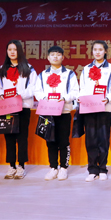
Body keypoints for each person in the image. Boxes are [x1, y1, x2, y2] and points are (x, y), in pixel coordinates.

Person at [34, 45, 80, 181]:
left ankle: (64, 167)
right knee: (50, 140)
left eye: (58, 54)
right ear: (48, 58)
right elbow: (37, 91)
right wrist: (45, 99)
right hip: (48, 112)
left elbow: (75, 91)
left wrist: (64, 98)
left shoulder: (69, 74)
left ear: (63, 57)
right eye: (52, 54)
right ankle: (53, 167)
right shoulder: (42, 75)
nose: (55, 57)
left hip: (64, 111)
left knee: (63, 140)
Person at [0, 40, 37, 180]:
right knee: (9, 137)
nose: (12, 52)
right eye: (9, 49)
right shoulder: (2, 69)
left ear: (20, 51)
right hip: (7, 106)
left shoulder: (29, 68)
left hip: (23, 106)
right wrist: (1, 94)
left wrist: (19, 95)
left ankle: (21, 166)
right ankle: (11, 165)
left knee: (22, 137)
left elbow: (33, 87)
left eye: (15, 49)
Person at [78, 40, 111, 182]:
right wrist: (81, 98)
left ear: (105, 51)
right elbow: (82, 88)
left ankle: (102, 169)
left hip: (105, 108)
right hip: (89, 108)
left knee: (103, 138)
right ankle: (92, 170)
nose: (97, 52)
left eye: (100, 49)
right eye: (95, 49)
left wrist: (108, 98)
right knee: (90, 139)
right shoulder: (86, 69)